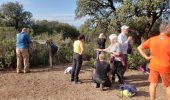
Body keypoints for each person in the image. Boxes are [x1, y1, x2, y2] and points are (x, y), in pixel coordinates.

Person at [137, 21, 170, 100]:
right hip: (166, 67)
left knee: (153, 84)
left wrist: (146, 57)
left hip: (154, 66)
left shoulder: (152, 39)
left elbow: (139, 47)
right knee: (168, 86)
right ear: (167, 29)